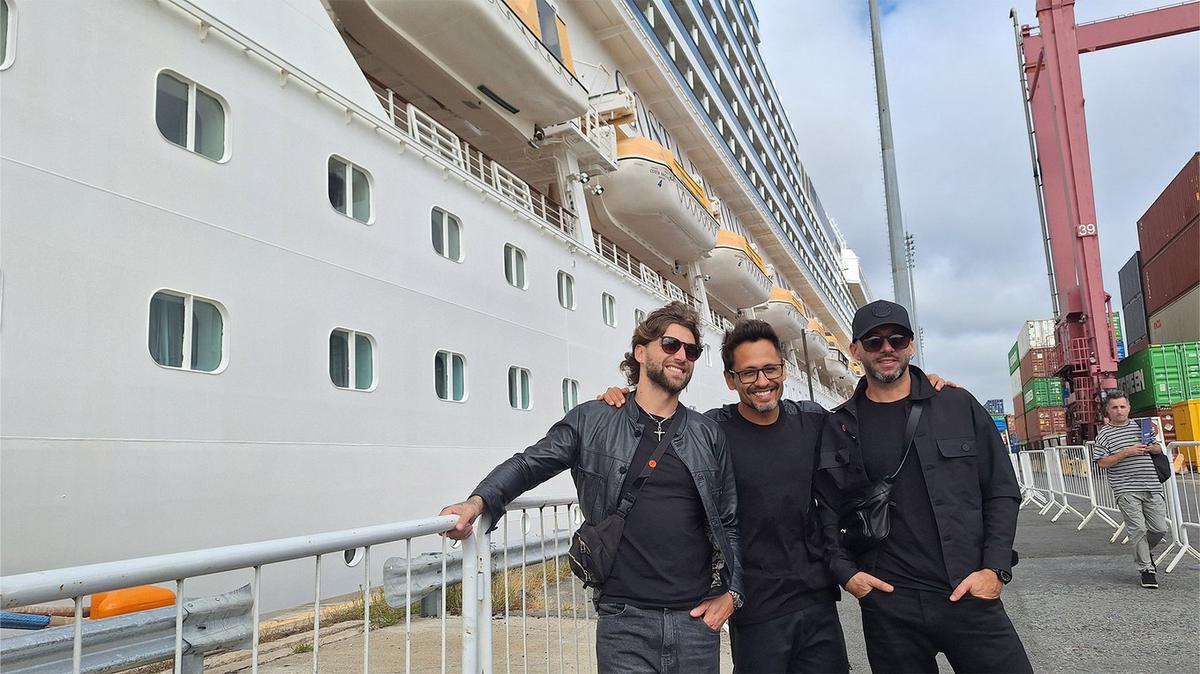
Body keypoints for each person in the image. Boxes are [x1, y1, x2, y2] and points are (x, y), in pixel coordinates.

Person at [598, 319, 955, 673]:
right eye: (748, 373)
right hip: (755, 609)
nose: (762, 381)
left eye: (771, 369)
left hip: (816, 602)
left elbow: (870, 414)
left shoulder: (812, 421)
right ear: (730, 379)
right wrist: (623, 402)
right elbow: (658, 429)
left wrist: (921, 389)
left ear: (783, 370)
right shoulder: (710, 432)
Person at [439, 302, 742, 674]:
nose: (682, 356)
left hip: (695, 622)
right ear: (640, 351)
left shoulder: (707, 433)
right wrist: (477, 502)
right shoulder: (594, 419)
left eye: (691, 351)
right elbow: (530, 464)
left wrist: (733, 593)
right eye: (670, 344)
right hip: (624, 621)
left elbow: (729, 522)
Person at [814, 300, 1031, 674]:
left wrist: (994, 569)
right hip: (889, 604)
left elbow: (1001, 488)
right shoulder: (839, 425)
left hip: (967, 591)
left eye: (897, 339)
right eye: (873, 341)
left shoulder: (957, 404)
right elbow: (827, 509)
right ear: (855, 350)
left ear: (911, 345)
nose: (887, 349)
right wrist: (846, 573)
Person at [1092, 390, 1168, 589]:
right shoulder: (1104, 434)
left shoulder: (1141, 426)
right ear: (1108, 410)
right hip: (1125, 488)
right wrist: (1126, 452)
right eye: (1115, 407)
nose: (1119, 411)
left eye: (1122, 406)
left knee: (1160, 528)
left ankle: (1144, 553)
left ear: (1129, 408)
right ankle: (1146, 570)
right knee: (1138, 529)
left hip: (1151, 485)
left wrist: (1152, 448)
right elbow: (1102, 462)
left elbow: (1159, 449)